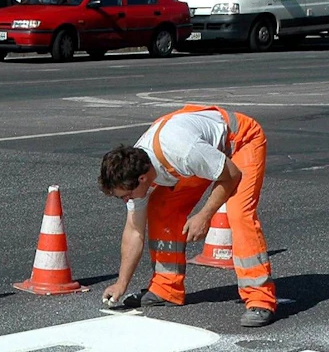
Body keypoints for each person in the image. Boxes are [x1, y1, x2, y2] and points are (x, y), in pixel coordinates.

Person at [97, 104, 277, 327]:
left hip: (240, 142)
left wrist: (205, 215)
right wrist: (121, 284)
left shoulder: (183, 151)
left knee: (239, 213)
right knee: (161, 206)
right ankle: (166, 287)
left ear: (142, 179)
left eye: (126, 196)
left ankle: (260, 299)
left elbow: (231, 174)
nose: (126, 200)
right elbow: (134, 231)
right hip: (202, 156)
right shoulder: (137, 170)